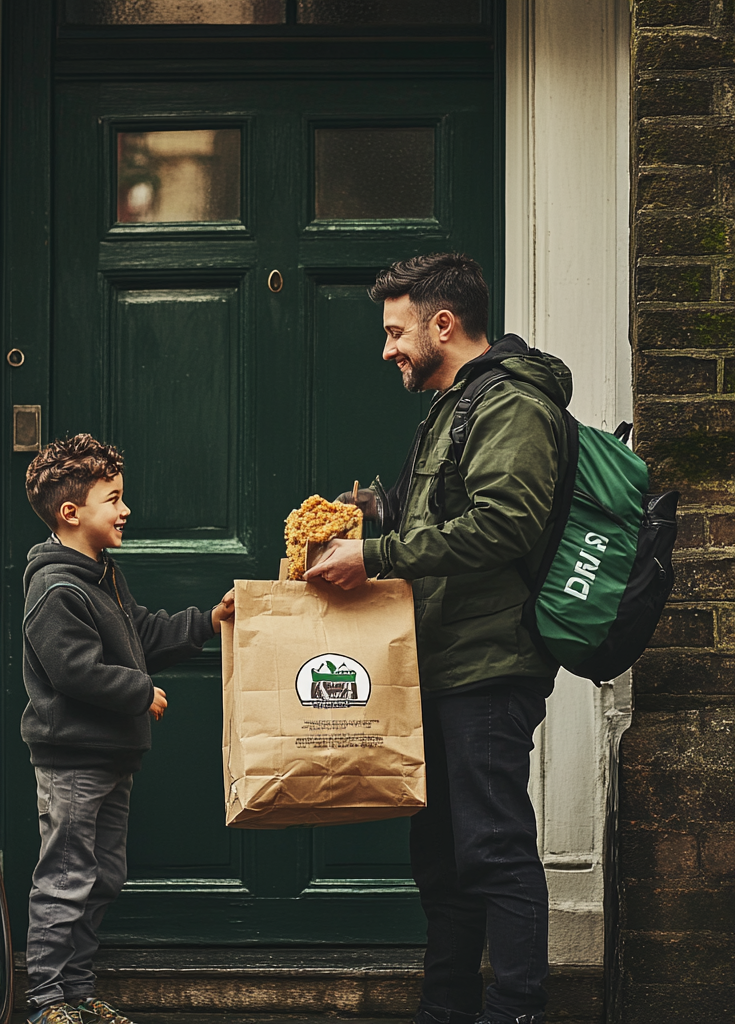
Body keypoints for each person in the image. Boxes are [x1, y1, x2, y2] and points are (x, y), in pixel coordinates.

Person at [305, 253, 571, 1024]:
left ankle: (516, 1010)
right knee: (444, 863)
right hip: (444, 663)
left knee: (492, 848)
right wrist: (360, 519)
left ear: (442, 324)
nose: (388, 349)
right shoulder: (454, 407)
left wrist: (378, 555)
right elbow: (438, 518)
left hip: (490, 666)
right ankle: (445, 1008)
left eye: (396, 331)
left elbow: (504, 522)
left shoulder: (511, 405)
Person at [21, 433, 235, 1024]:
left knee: (103, 876)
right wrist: (140, 692)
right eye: (113, 499)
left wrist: (207, 622)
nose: (125, 510)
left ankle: (79, 991)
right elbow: (74, 671)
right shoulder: (55, 588)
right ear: (72, 513)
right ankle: (45, 1001)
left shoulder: (101, 574)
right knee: (65, 877)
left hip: (113, 756)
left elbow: (139, 633)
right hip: (71, 760)